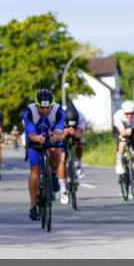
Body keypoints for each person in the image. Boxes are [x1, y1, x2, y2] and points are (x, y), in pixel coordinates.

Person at [22, 89, 69, 219]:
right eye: (41, 108)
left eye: (48, 108)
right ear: (36, 105)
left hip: (51, 137)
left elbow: (60, 133)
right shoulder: (29, 111)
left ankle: (53, 174)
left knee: (55, 151)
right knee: (35, 170)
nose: (45, 111)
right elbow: (30, 133)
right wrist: (37, 138)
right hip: (35, 138)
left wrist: (55, 137)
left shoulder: (59, 111)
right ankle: (33, 207)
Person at [112, 99, 134, 176]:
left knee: (133, 154)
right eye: (127, 113)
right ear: (123, 112)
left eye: (132, 113)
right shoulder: (118, 115)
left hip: (131, 129)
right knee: (123, 139)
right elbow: (122, 132)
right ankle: (119, 162)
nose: (130, 115)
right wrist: (127, 132)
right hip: (119, 129)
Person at [62, 99, 87, 180]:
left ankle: (79, 163)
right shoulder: (59, 116)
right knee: (62, 154)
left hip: (76, 130)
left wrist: (74, 132)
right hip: (62, 131)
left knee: (80, 141)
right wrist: (64, 133)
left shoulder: (81, 118)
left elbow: (80, 134)